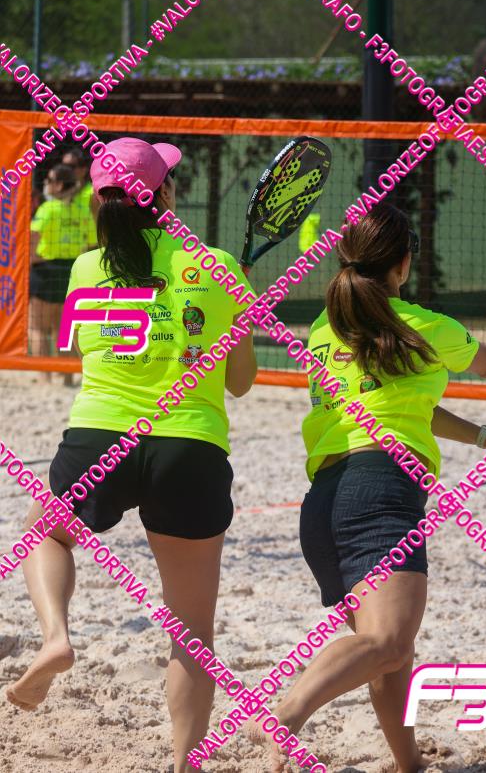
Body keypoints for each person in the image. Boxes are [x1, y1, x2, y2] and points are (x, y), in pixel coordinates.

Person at [250, 203, 486, 773]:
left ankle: (410, 765)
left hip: (324, 504)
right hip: (381, 492)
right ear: (403, 262)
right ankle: (286, 714)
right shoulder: (417, 323)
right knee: (389, 644)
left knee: (389, 653)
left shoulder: (328, 329)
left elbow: (406, 405)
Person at [9, 138, 257, 773]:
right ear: (166, 194)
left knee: (45, 536)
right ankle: (184, 764)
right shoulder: (218, 265)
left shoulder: (85, 268)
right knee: (192, 632)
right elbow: (240, 383)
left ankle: (57, 637)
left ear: (100, 202)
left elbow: (86, 352)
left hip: (101, 436)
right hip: (189, 444)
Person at [29, 163, 96, 366]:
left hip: (46, 272)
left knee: (38, 328)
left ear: (58, 185)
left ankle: (45, 377)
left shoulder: (48, 209)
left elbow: (31, 243)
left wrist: (35, 260)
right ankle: (66, 375)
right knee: (64, 329)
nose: (45, 183)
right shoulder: (82, 210)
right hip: (72, 272)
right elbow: (92, 244)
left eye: (49, 180)